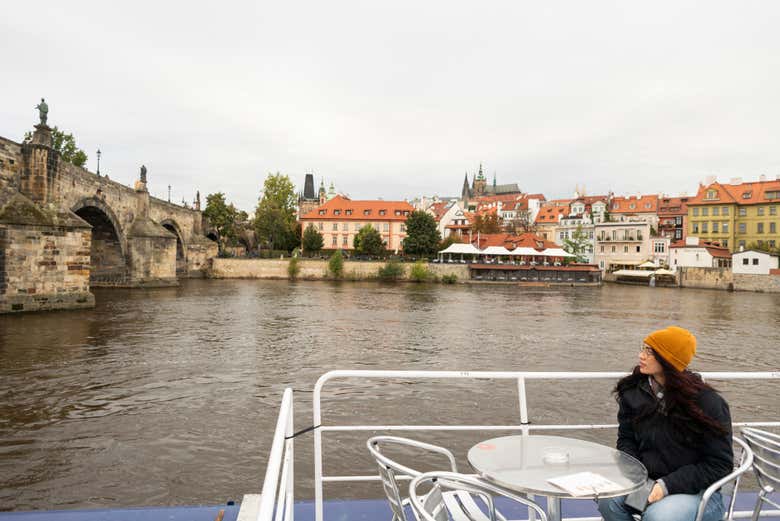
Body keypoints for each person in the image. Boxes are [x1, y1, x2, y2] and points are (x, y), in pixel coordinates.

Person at [598, 326, 733, 521]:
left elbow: (719, 464)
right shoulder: (634, 392)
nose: (641, 356)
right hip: (646, 481)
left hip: (696, 492)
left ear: (669, 359)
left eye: (649, 352)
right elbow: (626, 440)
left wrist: (666, 486)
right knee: (608, 501)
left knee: (659, 516)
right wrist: (637, 476)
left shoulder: (707, 402)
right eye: (643, 348)